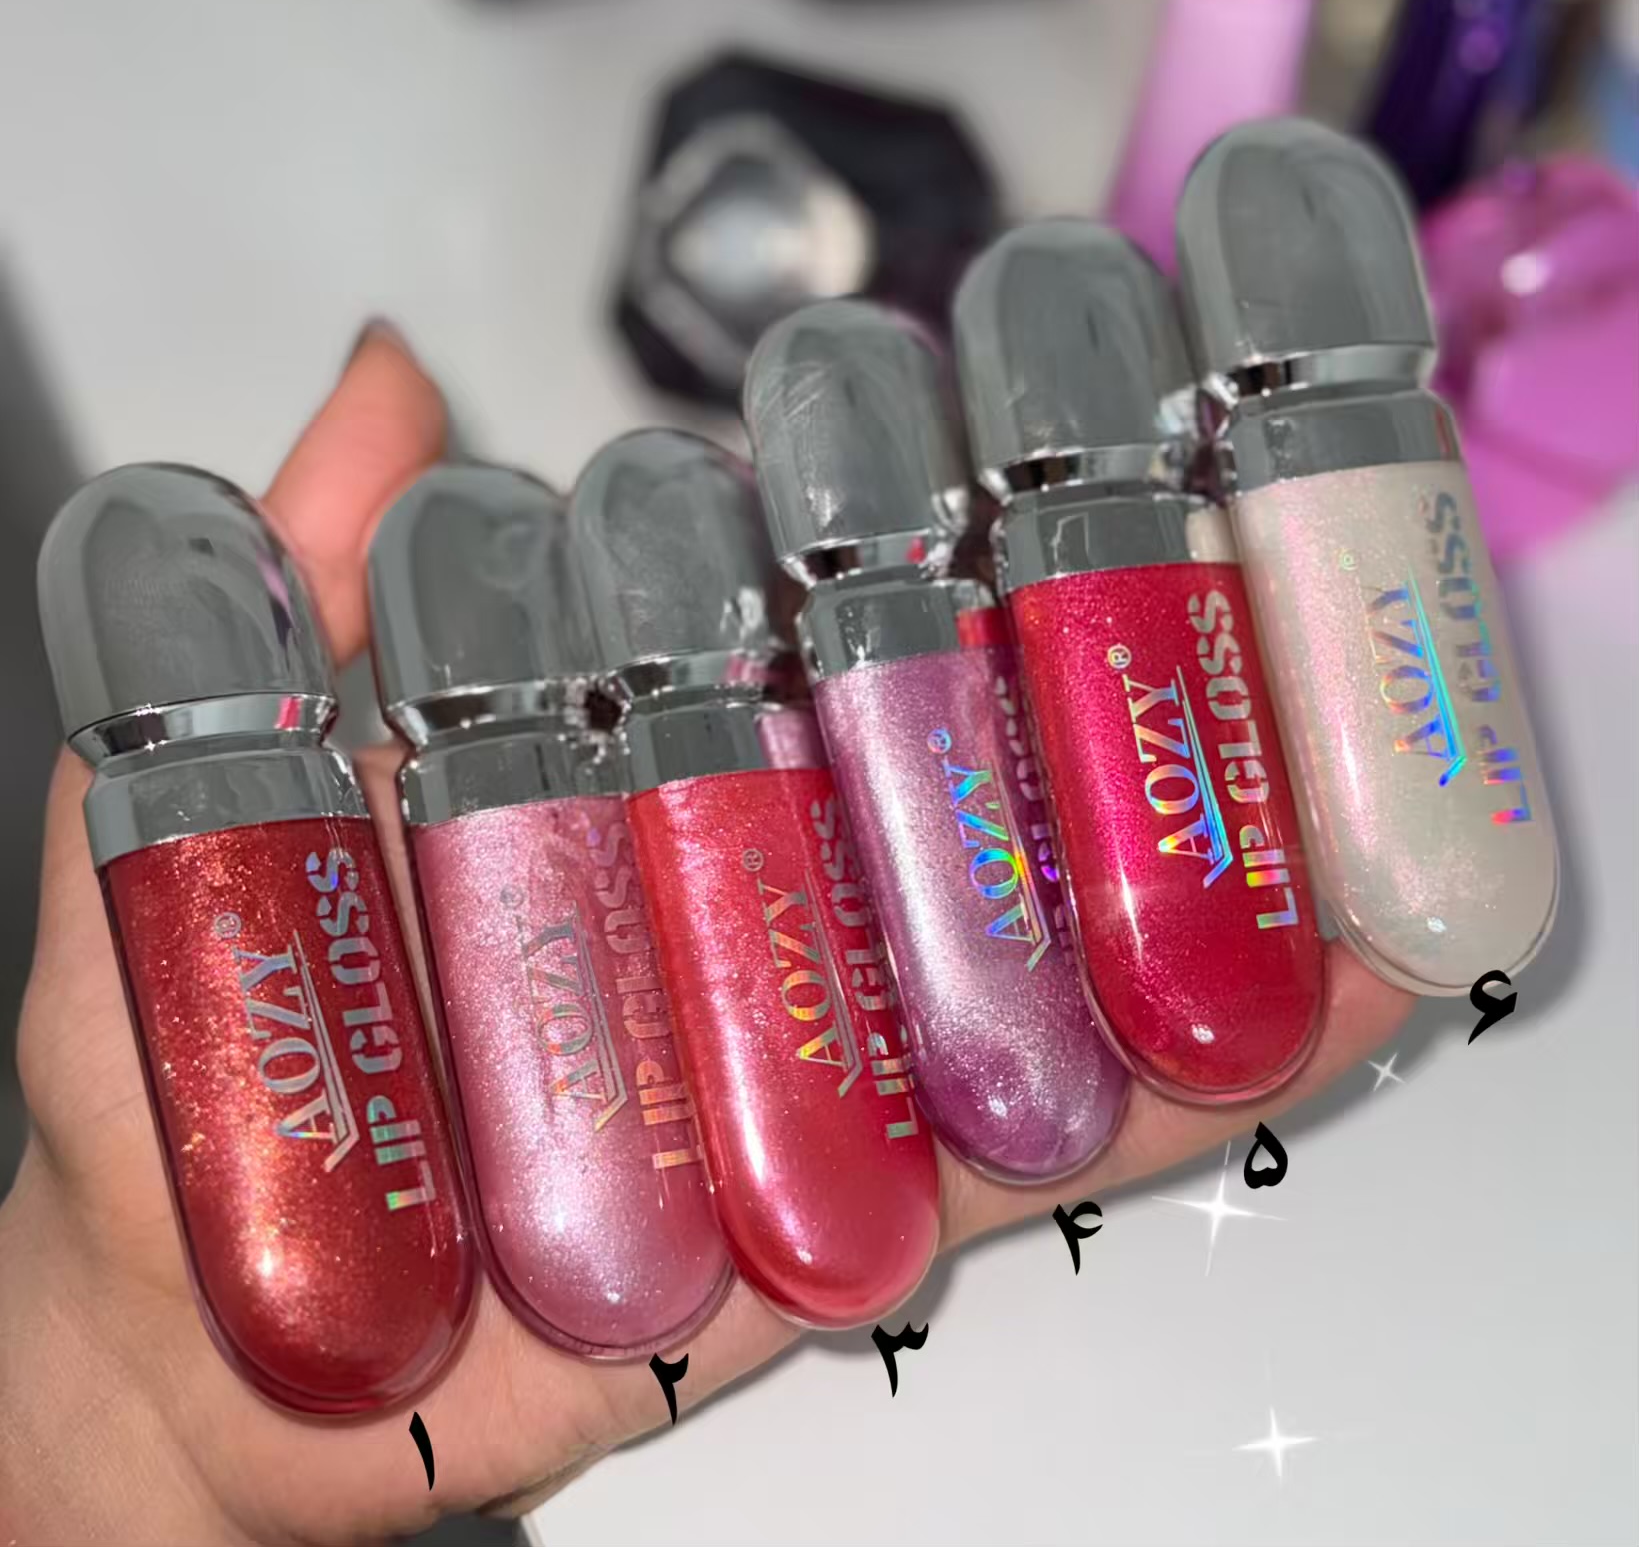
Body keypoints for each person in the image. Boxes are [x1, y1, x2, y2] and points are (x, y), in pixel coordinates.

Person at [0, 325, 1414, 1545]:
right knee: (557, 1001)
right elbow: (385, 1028)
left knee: (868, 909)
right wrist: (127, 1423)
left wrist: (121, 1442)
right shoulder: (267, 797)